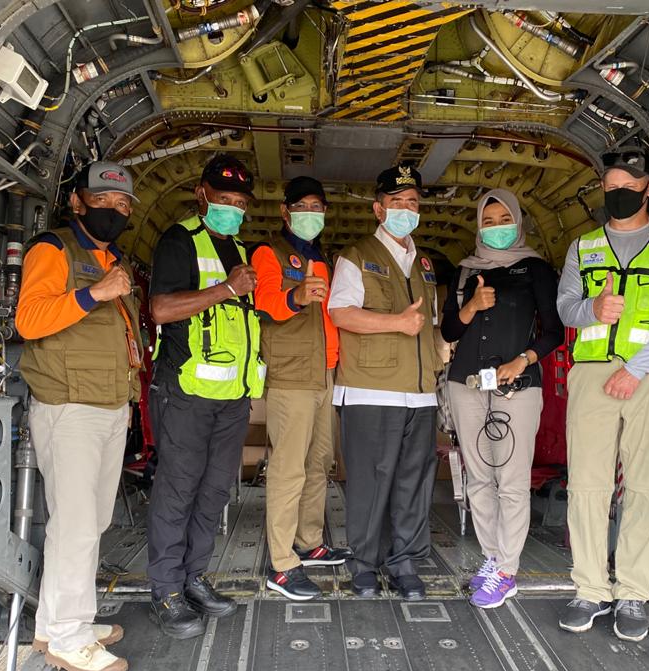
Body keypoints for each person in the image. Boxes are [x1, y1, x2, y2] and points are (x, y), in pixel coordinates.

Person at [556, 147, 649, 642]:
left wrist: (636, 370)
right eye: (611, 186)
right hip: (593, 374)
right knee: (587, 486)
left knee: (645, 486)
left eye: (629, 186)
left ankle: (633, 593)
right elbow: (564, 310)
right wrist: (591, 310)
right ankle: (590, 589)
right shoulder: (583, 248)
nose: (618, 194)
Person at [16, 161, 142, 671]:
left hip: (109, 403)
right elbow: (30, 319)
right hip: (70, 406)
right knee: (76, 526)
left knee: (90, 523)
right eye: (103, 200)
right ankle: (70, 636)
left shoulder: (112, 258)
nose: (114, 210)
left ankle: (57, 623)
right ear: (77, 201)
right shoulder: (54, 248)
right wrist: (96, 293)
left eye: (123, 204)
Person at [146, 154, 265, 639]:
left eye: (239, 203)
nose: (232, 209)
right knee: (178, 490)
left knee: (214, 492)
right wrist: (224, 289)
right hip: (184, 393)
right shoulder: (180, 241)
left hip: (231, 398)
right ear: (202, 194)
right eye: (223, 200)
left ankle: (194, 577)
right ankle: (166, 590)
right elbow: (160, 309)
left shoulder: (239, 248)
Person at [440, 189, 564, 609]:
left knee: (511, 482)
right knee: (478, 479)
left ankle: (507, 570)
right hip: (466, 386)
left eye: (502, 219)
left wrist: (522, 360)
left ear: (518, 222)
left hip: (517, 387)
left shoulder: (536, 270)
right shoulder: (463, 273)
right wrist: (472, 306)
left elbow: (554, 331)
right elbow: (448, 332)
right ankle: (493, 559)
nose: (495, 228)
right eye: (488, 221)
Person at [328, 165, 441, 601]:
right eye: (397, 203)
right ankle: (363, 563)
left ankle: (404, 562)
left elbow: (427, 323)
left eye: (412, 203)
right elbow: (342, 314)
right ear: (379, 209)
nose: (406, 210)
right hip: (371, 390)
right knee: (371, 480)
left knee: (414, 480)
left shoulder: (424, 262)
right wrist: (398, 323)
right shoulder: (356, 256)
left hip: (420, 393)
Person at [251, 176, 351, 600]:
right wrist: (296, 296)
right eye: (303, 207)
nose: (312, 215)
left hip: (326, 374)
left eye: (318, 207)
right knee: (288, 467)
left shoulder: (324, 260)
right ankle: (281, 562)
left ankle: (309, 542)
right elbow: (265, 302)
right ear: (286, 211)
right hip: (292, 374)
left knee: (319, 461)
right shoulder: (268, 252)